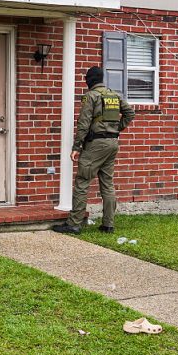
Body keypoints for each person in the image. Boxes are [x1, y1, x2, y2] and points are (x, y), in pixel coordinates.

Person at [53, 66, 135, 235]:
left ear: (89, 80)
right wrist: (116, 130)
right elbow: (130, 113)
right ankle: (108, 224)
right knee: (107, 183)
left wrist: (76, 147)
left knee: (82, 181)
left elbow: (83, 123)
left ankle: (74, 223)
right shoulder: (114, 94)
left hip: (96, 144)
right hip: (112, 143)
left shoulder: (90, 96)